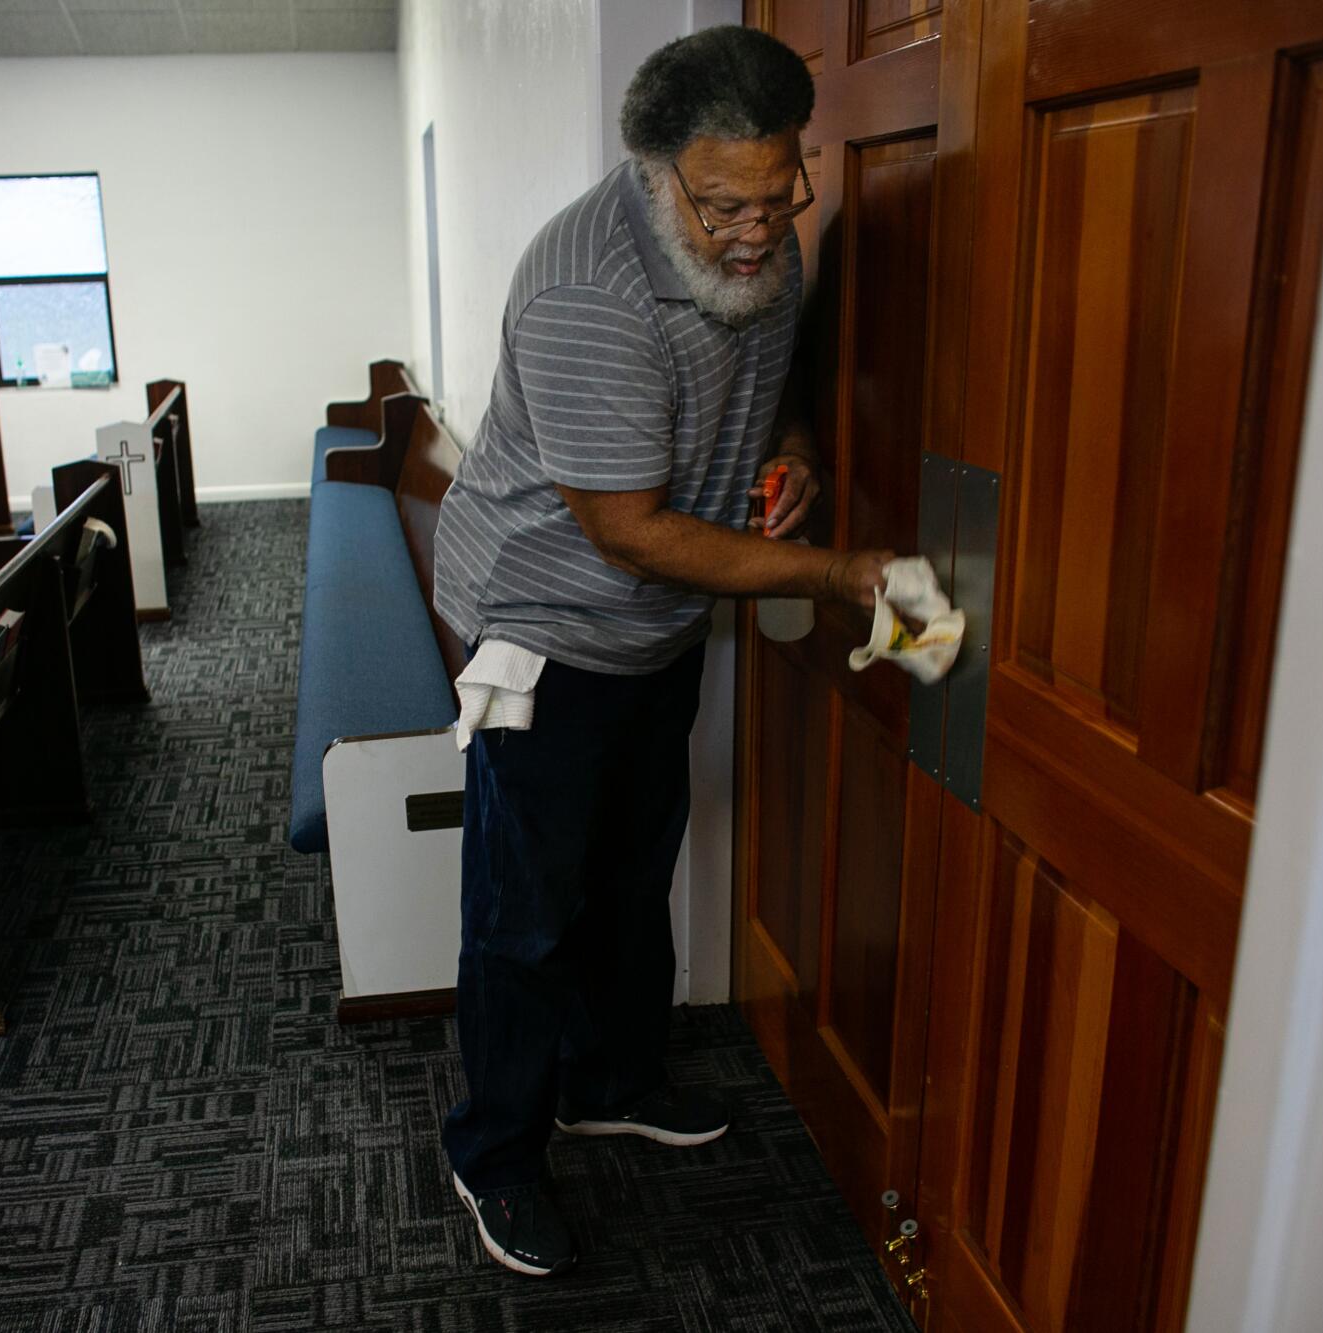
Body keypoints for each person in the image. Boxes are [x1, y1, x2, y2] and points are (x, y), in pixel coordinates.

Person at [432, 25, 896, 1277]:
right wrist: (835, 571)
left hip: (651, 627)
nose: (755, 228)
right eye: (720, 204)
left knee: (633, 871)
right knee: (523, 914)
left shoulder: (760, 230)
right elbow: (629, 534)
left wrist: (793, 449)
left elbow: (775, 370)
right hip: (544, 621)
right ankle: (496, 1151)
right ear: (653, 172)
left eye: (776, 190)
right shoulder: (589, 289)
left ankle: (608, 1078)